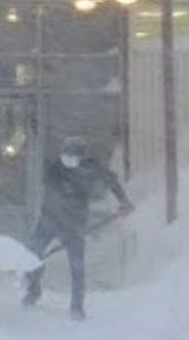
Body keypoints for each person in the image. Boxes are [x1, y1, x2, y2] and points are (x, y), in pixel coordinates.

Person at [22, 137, 133, 321]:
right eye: (66, 155)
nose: (68, 160)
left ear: (82, 157)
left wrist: (124, 201)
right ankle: (33, 290)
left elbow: (111, 179)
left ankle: (77, 307)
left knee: (77, 266)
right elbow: (53, 190)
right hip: (49, 219)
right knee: (32, 254)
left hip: (74, 224)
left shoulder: (90, 168)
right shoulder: (54, 168)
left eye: (73, 156)